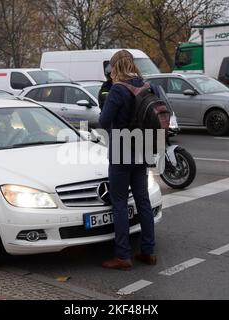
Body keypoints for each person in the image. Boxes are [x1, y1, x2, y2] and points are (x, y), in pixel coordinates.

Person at [99, 50, 157, 270]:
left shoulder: (117, 89)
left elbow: (104, 120)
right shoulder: (146, 85)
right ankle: (148, 251)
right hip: (143, 147)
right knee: (143, 201)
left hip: (122, 149)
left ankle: (123, 256)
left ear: (114, 67)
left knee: (120, 203)